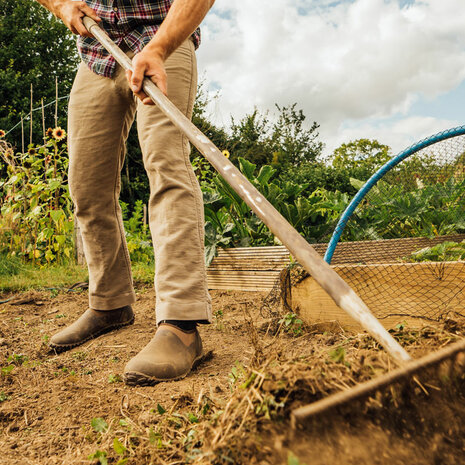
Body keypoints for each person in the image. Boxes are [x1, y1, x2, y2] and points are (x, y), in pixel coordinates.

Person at [35, 0, 215, 385]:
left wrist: (161, 47)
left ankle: (181, 325)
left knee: (167, 168)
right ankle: (110, 304)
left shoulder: (164, 41)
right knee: (87, 184)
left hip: (160, 35)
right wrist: (60, 5)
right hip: (98, 51)